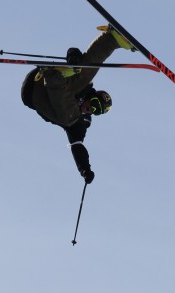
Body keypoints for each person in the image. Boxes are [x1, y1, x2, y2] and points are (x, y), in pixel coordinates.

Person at [21, 26, 135, 182]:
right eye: (94, 103)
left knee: (71, 119)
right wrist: (73, 58)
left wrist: (85, 170)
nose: (90, 108)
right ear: (92, 96)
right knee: (85, 72)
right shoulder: (85, 88)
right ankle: (112, 39)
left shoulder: (82, 122)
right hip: (40, 79)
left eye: (96, 110)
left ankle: (55, 74)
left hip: (35, 97)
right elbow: (73, 50)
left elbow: (77, 147)